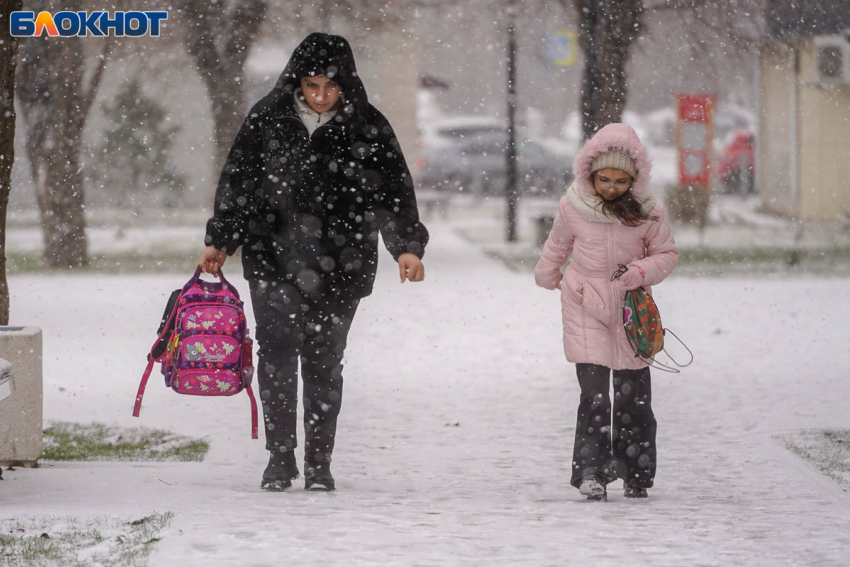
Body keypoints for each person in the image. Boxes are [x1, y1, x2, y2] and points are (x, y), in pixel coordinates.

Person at [199, 33, 429, 492]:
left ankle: (319, 463)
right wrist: (221, 240)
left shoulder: (368, 125)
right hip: (273, 258)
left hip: (342, 263)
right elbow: (239, 183)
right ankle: (280, 458)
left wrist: (406, 245)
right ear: (296, 81)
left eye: (330, 86)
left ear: (346, 83)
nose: (321, 96)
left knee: (325, 360)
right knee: (277, 355)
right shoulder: (268, 118)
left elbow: (392, 191)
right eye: (311, 85)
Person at [534, 123, 678, 501]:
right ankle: (591, 472)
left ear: (634, 179)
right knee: (595, 395)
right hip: (584, 304)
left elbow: (666, 254)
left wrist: (640, 272)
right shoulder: (573, 206)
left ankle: (635, 471)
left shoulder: (648, 211)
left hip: (631, 310)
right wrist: (548, 272)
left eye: (620, 181)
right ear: (590, 174)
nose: (611, 188)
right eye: (604, 180)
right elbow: (558, 243)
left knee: (633, 396)